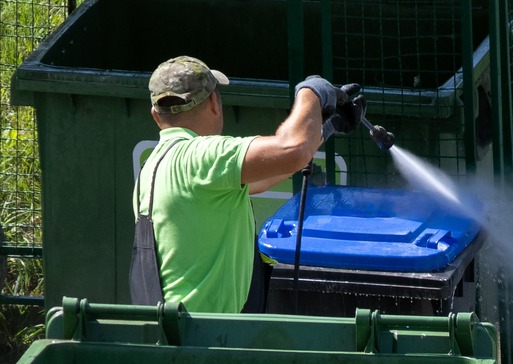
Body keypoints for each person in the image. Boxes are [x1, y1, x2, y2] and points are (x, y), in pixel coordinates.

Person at [132, 55, 363, 313]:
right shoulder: (202, 157)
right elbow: (291, 150)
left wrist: (323, 128)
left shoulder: (155, 167)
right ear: (214, 103)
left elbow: (268, 173)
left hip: (177, 331)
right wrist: (312, 92)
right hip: (203, 336)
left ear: (155, 115)